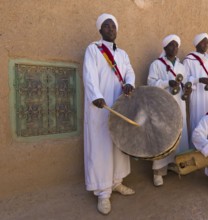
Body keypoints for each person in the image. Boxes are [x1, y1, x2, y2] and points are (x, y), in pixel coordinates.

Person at [83, 13, 135, 215]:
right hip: (100, 107)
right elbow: (89, 74)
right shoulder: (93, 50)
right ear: (100, 30)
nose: (111, 29)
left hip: (118, 106)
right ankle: (103, 193)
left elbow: (129, 71)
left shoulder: (122, 54)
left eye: (113, 26)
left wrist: (130, 83)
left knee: (118, 144)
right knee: (101, 147)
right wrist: (95, 96)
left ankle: (117, 182)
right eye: (106, 26)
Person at [148, 34, 190, 186]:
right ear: (164, 48)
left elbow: (185, 84)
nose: (174, 48)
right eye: (171, 45)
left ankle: (175, 163)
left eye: (176, 46)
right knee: (163, 136)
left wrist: (187, 90)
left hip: (179, 104)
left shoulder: (181, 67)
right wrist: (167, 83)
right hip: (163, 106)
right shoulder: (156, 65)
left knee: (178, 133)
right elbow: (151, 83)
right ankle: (158, 171)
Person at [183, 33, 208, 145]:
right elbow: (185, 79)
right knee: (197, 119)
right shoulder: (189, 59)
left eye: (207, 42)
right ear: (197, 44)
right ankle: (196, 147)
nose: (206, 44)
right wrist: (198, 80)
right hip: (196, 96)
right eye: (203, 42)